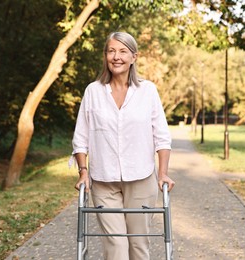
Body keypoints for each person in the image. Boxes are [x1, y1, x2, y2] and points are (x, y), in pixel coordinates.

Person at [70, 31, 175, 260]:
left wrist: (163, 173)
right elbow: (81, 137)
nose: (116, 56)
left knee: (138, 245)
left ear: (133, 57)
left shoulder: (147, 91)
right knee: (116, 246)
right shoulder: (93, 91)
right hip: (103, 181)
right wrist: (83, 171)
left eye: (122, 51)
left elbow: (162, 136)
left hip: (141, 178)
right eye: (111, 51)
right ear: (105, 55)